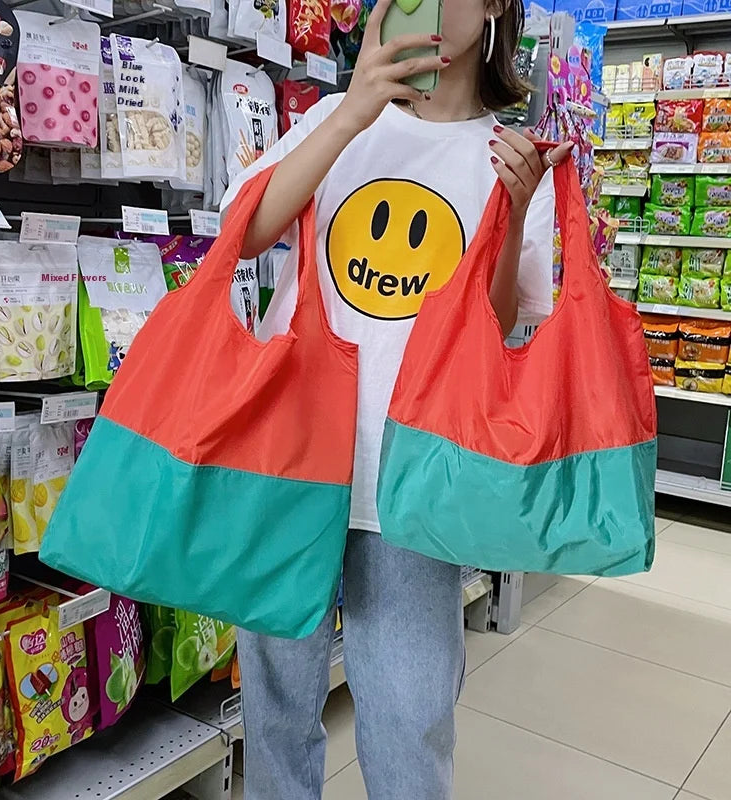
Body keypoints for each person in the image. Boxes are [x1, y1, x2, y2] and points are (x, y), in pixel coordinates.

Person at [221, 0, 572, 796]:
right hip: (291, 458)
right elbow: (241, 233)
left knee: (412, 719)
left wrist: (514, 211)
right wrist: (351, 111)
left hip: (415, 476)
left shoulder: (510, 157)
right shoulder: (337, 120)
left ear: (496, 5)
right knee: (274, 711)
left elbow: (492, 329)